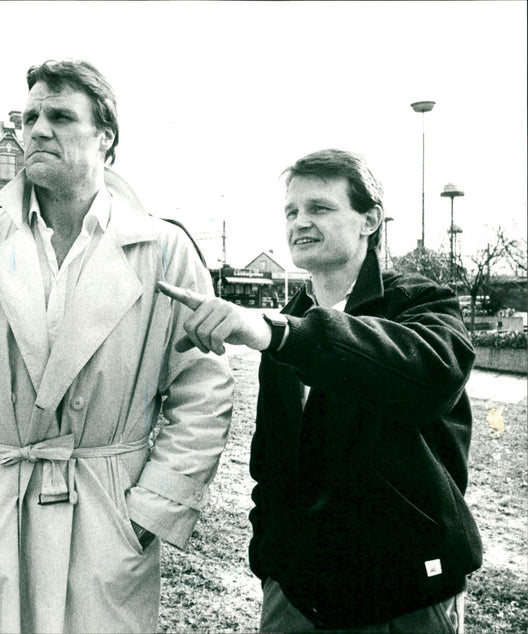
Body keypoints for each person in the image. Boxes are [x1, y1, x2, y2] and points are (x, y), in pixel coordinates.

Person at [0, 59, 233, 633]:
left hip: (106, 505)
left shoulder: (163, 249)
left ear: (107, 137)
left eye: (59, 116)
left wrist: (151, 506)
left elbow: (201, 390)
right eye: (30, 116)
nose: (37, 130)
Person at [158, 149, 481, 632]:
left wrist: (284, 334)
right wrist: (272, 563)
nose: (300, 222)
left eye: (320, 208)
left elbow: (430, 377)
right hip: (297, 596)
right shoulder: (286, 318)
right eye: (292, 211)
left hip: (405, 593)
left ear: (369, 219)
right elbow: (273, 462)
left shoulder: (421, 300)